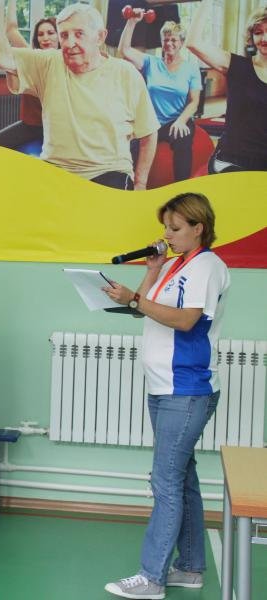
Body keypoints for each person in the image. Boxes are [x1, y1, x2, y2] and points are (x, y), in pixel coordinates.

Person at [101, 192, 230, 599]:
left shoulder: (207, 266)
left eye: (175, 228)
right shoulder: (176, 265)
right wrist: (152, 271)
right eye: (166, 228)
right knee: (181, 477)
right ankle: (189, 568)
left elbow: (187, 321)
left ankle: (151, 577)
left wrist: (136, 298)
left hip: (186, 389)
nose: (167, 235)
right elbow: (141, 308)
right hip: (163, 387)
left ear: (198, 228)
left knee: (165, 481)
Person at [0, 1, 160, 190]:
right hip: (55, 171)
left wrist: (140, 183)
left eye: (79, 34)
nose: (69, 43)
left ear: (100, 37)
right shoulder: (49, 62)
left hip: (108, 171)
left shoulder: (126, 73)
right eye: (64, 35)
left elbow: (149, 132)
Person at [188, 1, 267, 173]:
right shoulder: (236, 65)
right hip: (232, 160)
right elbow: (193, 43)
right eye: (258, 32)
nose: (264, 39)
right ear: (251, 37)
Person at [119, 17, 201, 181]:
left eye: (173, 40)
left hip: (176, 120)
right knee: (132, 147)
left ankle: (181, 188)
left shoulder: (191, 68)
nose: (169, 43)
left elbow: (194, 101)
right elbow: (124, 50)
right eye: (165, 39)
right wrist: (132, 22)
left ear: (181, 43)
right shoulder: (151, 62)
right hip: (152, 122)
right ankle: (129, 185)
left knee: (183, 139)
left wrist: (181, 121)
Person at [0, 0, 59, 149]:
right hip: (30, 125)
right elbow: (11, 30)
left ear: (59, 36)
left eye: (51, 33)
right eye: (40, 34)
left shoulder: (64, 63)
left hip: (51, 130)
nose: (45, 38)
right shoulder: (32, 57)